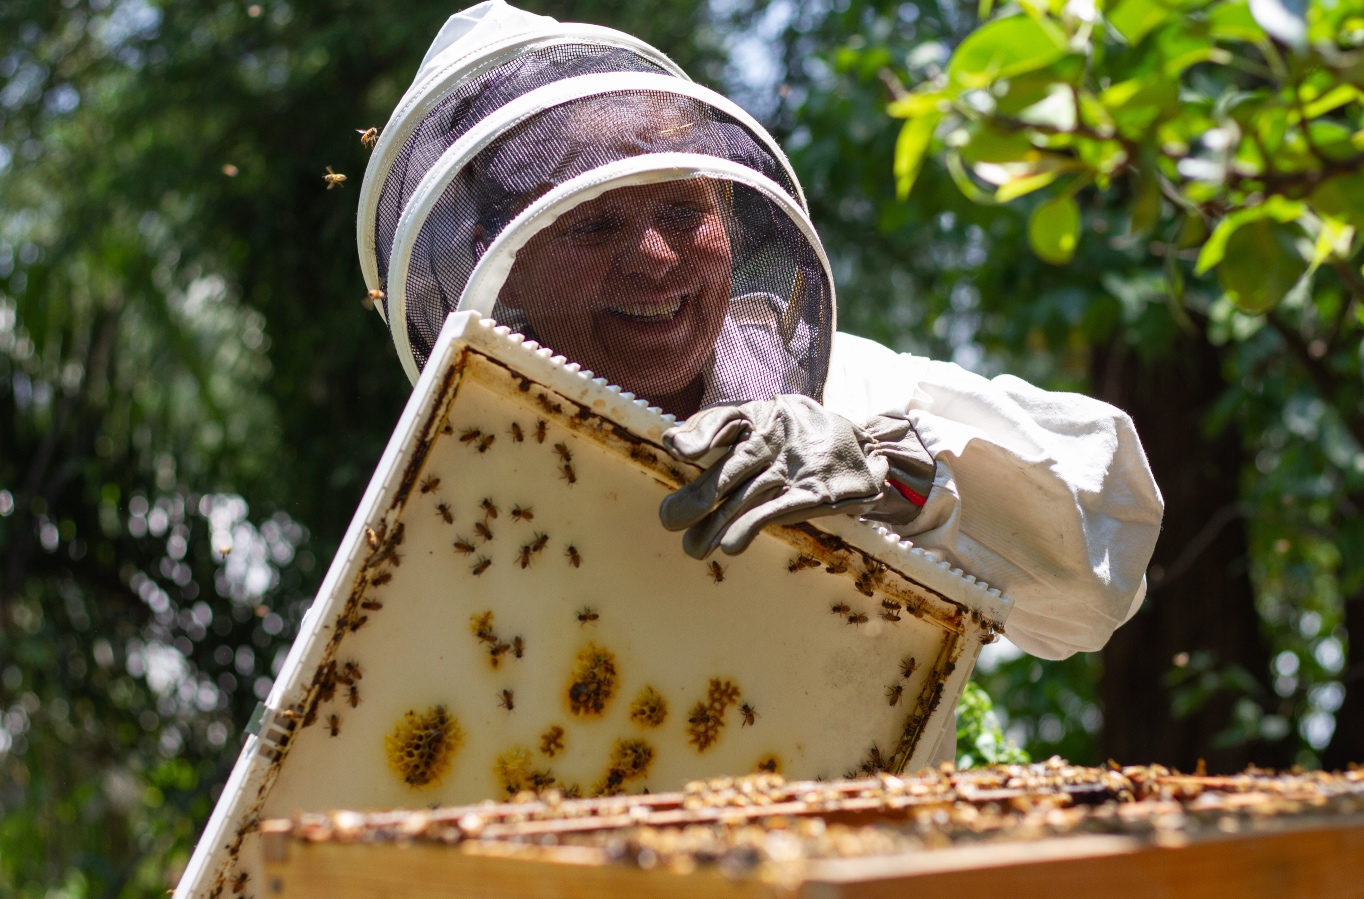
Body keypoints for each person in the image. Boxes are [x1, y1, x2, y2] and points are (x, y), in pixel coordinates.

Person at [360, 0, 1164, 696]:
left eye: (682, 211)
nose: (656, 257)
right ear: (499, 261)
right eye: (594, 223)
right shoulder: (469, 490)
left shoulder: (853, 386)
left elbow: (1101, 572)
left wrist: (895, 475)